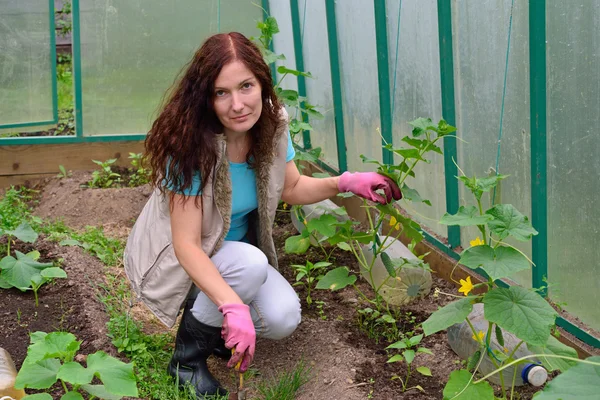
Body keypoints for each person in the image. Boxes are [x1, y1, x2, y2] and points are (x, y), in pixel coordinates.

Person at [123, 32, 402, 398]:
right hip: (189, 262)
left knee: (284, 317)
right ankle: (187, 360)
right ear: (205, 98)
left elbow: (291, 187)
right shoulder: (190, 147)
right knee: (252, 264)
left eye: (246, 86)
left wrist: (346, 182)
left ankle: (218, 324)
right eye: (221, 92)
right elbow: (186, 245)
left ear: (262, 84)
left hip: (236, 258)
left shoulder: (270, 128)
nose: (238, 104)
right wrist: (234, 307)